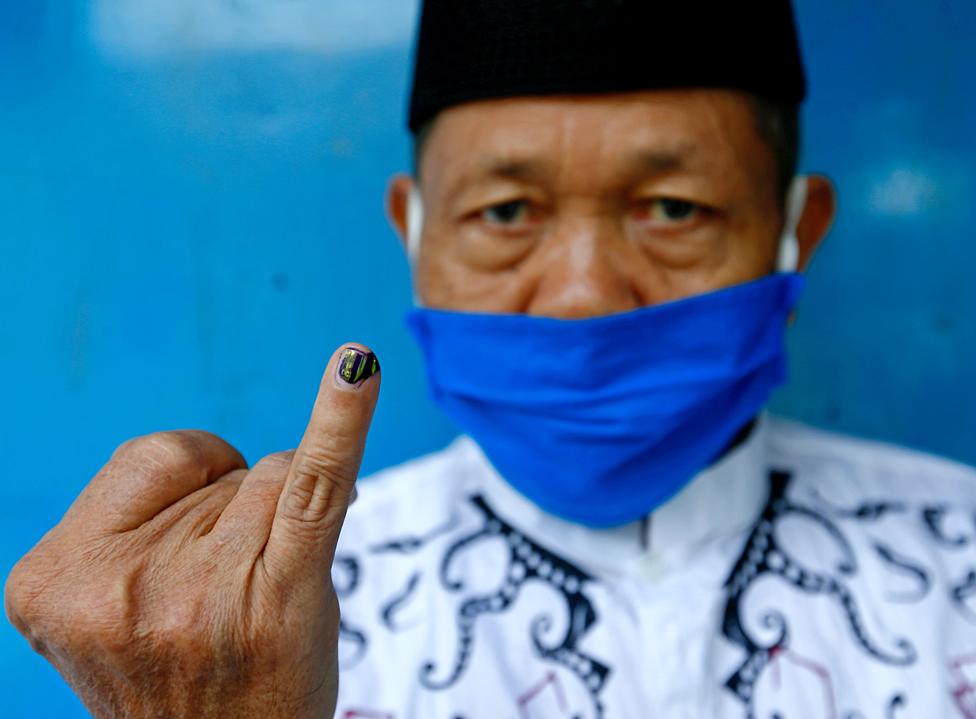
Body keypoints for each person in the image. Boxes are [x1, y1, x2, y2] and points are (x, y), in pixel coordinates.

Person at [6, 1, 975, 717]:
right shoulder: (254, 620)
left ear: (794, 233)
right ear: (413, 232)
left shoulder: (958, 554)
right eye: (505, 213)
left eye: (674, 209)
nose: (583, 292)